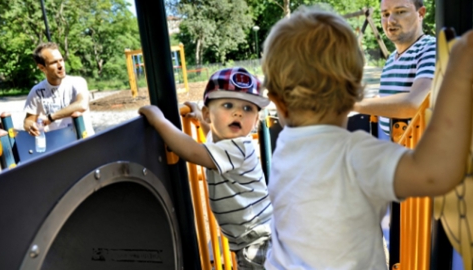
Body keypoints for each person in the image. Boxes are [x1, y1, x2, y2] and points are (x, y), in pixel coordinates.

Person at [261, 6, 473, 269]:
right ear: (355, 96)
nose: (390, 19)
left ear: (277, 103)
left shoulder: (283, 148)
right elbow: (438, 172)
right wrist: (459, 75)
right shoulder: (356, 154)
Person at [139, 67, 273, 269]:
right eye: (228, 105)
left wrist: (159, 121)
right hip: (249, 237)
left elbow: (193, 151)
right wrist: (200, 120)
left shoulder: (239, 147)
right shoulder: (223, 143)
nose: (238, 112)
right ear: (208, 113)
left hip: (257, 239)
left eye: (248, 109)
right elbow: (212, 135)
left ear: (255, 121)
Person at [353, 0, 436, 137]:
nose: (390, 21)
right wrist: (379, 100)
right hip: (392, 143)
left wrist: (349, 104)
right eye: (385, 14)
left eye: (400, 12)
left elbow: (415, 102)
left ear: (420, 13)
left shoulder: (430, 48)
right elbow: (395, 98)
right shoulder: (392, 58)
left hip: (418, 151)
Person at [24, 42, 95, 137]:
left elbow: (82, 105)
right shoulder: (36, 91)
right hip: (58, 146)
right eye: (54, 62)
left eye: (61, 60)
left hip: (84, 141)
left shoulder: (78, 82)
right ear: (42, 67)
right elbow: (28, 121)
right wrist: (31, 126)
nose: (60, 65)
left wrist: (51, 117)